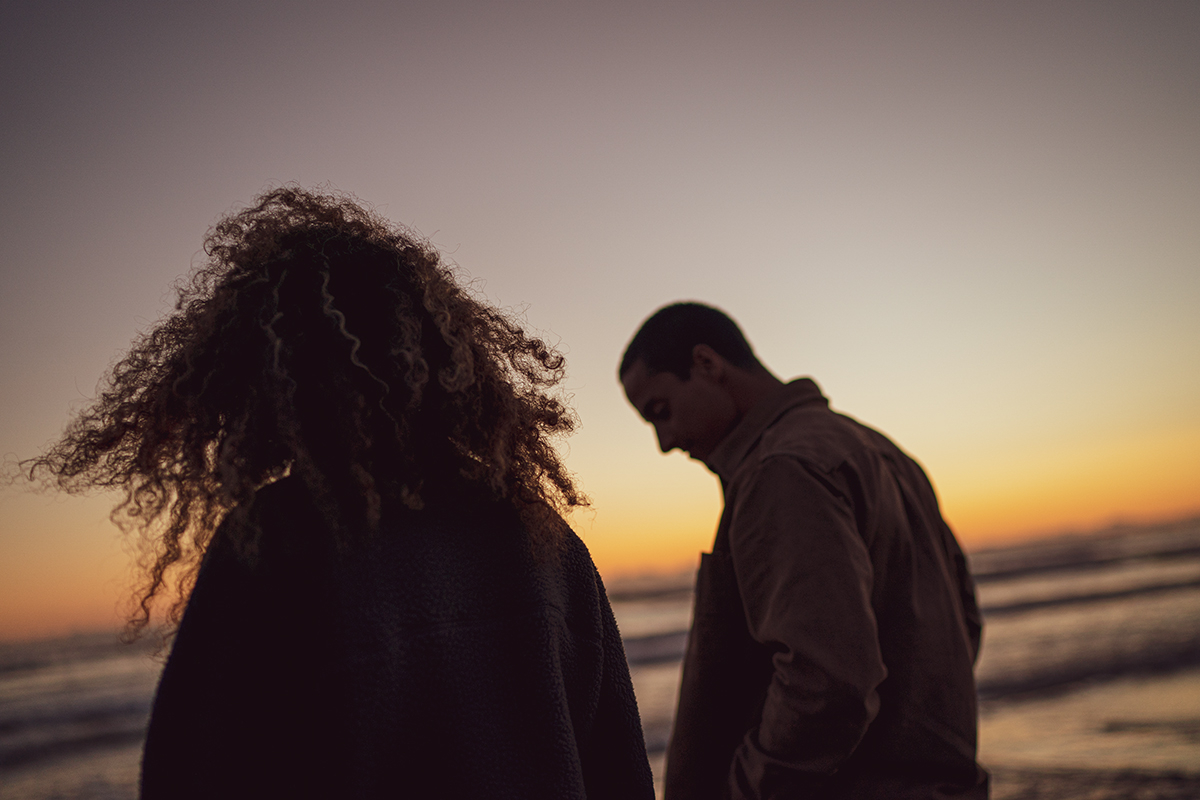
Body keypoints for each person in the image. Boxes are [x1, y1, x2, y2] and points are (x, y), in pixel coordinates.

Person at [28, 187, 655, 799]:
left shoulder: (278, 543)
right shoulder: (539, 537)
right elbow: (620, 769)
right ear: (448, 362)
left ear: (267, 380)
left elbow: (192, 772)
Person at [619, 302, 988, 800]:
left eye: (660, 412)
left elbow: (828, 680)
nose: (664, 442)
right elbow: (964, 622)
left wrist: (748, 789)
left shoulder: (782, 469)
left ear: (707, 364)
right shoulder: (879, 449)